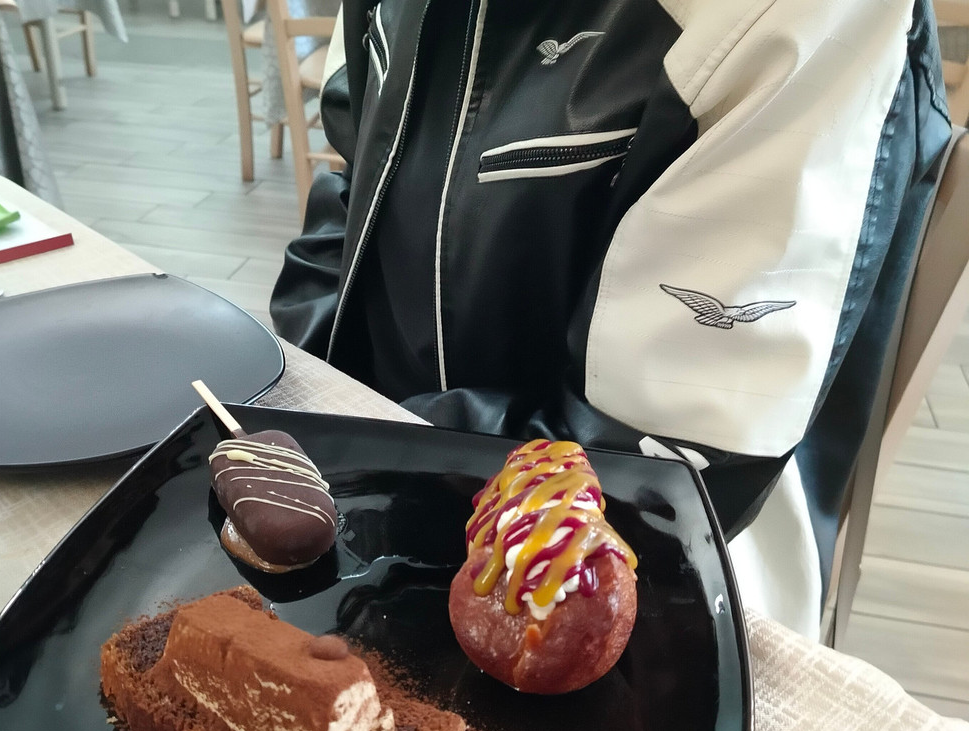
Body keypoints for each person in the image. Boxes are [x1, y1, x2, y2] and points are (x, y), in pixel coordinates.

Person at [269, 0, 954, 638]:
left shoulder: (797, 14)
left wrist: (354, 453)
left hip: (645, 586)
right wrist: (298, 399)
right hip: (364, 495)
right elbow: (350, 176)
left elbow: (664, 471)